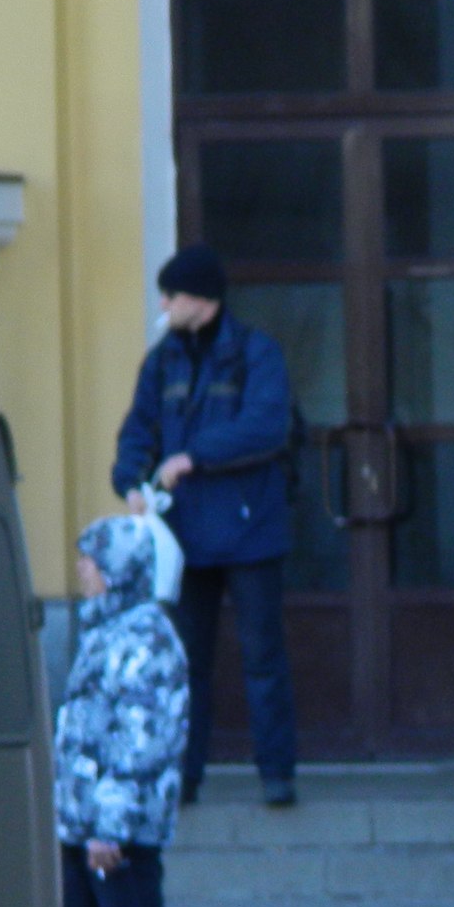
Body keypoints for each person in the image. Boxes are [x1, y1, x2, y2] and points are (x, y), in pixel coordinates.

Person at [112, 241, 300, 809]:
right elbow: (138, 430)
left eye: (171, 295)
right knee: (186, 662)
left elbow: (267, 426)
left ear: (201, 298)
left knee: (262, 658)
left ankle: (277, 775)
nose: (163, 304)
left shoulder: (256, 353)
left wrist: (193, 457)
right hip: (185, 538)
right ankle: (184, 777)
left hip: (250, 533)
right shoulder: (161, 361)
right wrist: (129, 482)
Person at [55, 516, 190, 907]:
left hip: (117, 834)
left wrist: (110, 825)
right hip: (83, 826)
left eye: (90, 559)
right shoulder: (105, 630)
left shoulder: (147, 639)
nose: (81, 570)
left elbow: (141, 741)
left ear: (118, 569)